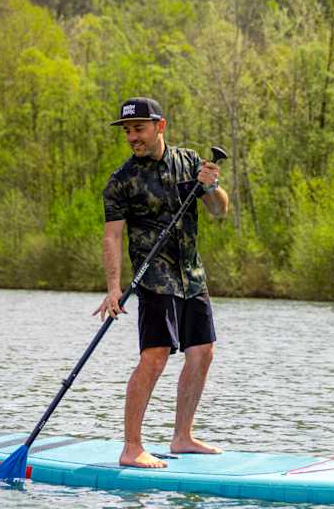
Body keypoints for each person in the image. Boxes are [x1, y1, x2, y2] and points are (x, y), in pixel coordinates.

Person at [94, 97, 229, 468]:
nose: (132, 137)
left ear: (160, 126)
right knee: (154, 358)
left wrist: (210, 187)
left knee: (203, 353)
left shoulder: (190, 162)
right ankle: (132, 447)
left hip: (192, 275)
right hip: (153, 279)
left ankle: (182, 437)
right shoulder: (121, 181)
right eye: (127, 131)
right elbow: (112, 237)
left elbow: (220, 211)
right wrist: (113, 288)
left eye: (138, 129)